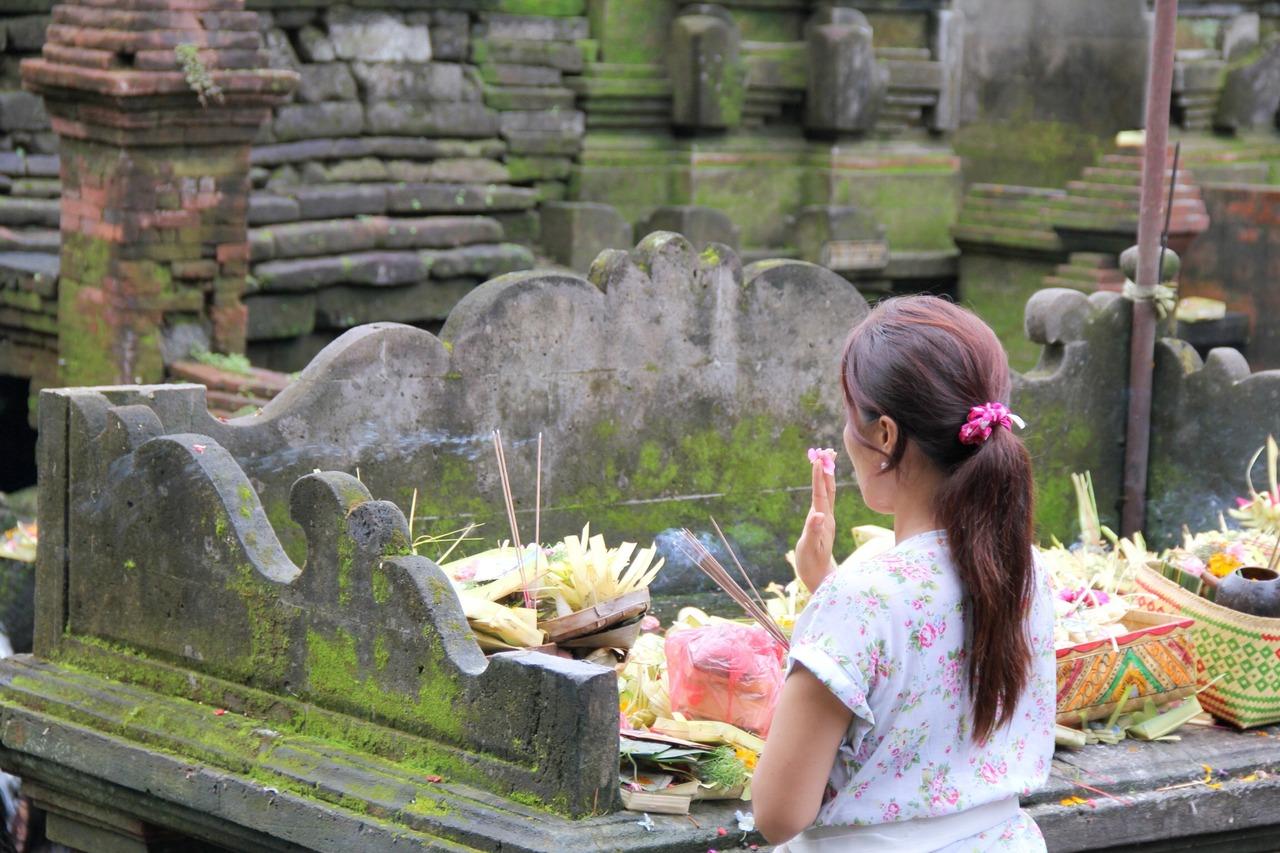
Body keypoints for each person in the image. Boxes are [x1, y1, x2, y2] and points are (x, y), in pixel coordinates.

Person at [752, 295, 1056, 852]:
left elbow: (778, 813)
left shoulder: (861, 599)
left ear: (886, 435)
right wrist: (827, 588)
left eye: (851, 414)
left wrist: (831, 602)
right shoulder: (1025, 570)